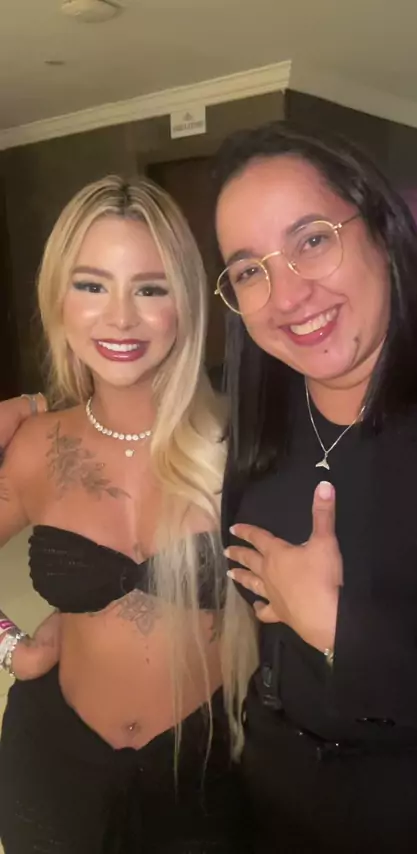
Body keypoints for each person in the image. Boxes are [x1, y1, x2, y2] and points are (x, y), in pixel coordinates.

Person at [211, 122, 417, 852]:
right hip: (277, 788)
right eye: (249, 271)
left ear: (382, 229)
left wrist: (339, 628)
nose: (286, 295)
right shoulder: (262, 410)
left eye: (311, 240)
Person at [0, 175, 256, 854]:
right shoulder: (34, 445)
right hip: (56, 767)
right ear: (58, 299)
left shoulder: (244, 445)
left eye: (150, 288)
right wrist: (11, 647)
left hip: (210, 763)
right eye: (92, 285)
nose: (120, 319)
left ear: (186, 303)